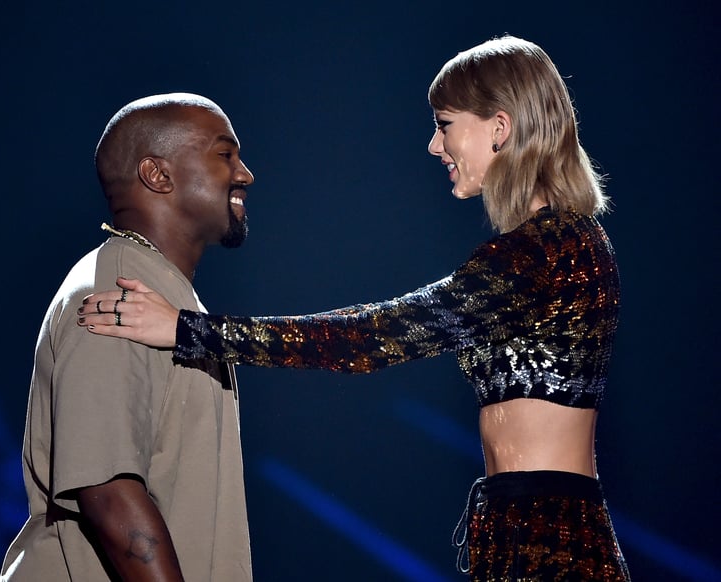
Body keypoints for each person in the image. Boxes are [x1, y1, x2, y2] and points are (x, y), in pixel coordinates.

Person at [77, 37, 631, 581]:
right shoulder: (556, 245)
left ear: (499, 128)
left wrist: (187, 330)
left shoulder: (545, 250)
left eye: (444, 125)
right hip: (528, 528)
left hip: (550, 541)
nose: (435, 147)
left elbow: (370, 337)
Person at [1, 93, 254, 581]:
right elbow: (110, 494)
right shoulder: (117, 292)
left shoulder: (166, 299)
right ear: (157, 175)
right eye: (226, 154)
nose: (245, 174)